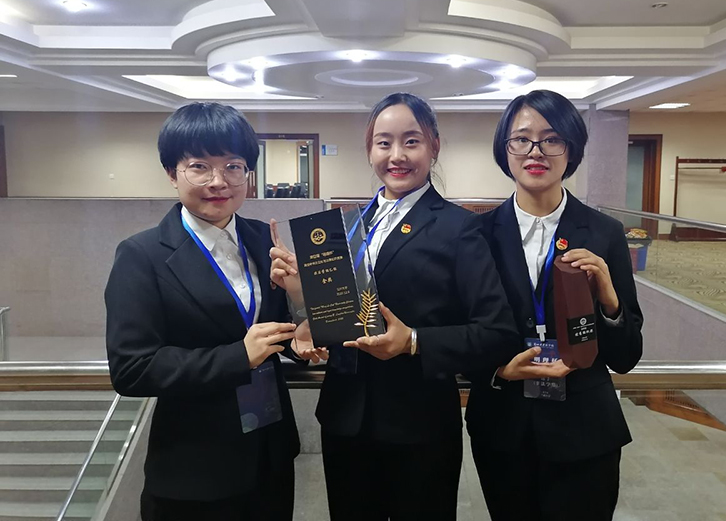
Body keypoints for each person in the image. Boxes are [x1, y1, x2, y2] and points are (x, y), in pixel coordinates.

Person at [269, 92, 518, 520]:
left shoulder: (460, 227)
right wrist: (302, 302)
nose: (396, 155)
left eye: (411, 141)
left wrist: (414, 341)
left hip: (419, 427)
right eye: (383, 143)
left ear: (434, 146)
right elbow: (340, 318)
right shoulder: (346, 228)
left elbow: (497, 333)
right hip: (345, 420)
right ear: (370, 150)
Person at [105, 102, 312, 521]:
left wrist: (301, 323)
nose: (219, 182)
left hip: (269, 453)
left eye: (234, 167)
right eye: (199, 167)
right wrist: (239, 356)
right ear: (171, 173)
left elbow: (269, 328)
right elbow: (131, 368)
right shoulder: (141, 255)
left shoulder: (262, 237)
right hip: (195, 468)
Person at [466, 90, 644, 521]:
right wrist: (496, 371)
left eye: (551, 139)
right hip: (503, 426)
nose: (536, 151)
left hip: (585, 428)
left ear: (571, 148)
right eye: (521, 139)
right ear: (505, 148)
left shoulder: (604, 232)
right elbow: (462, 331)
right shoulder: (476, 235)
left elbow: (626, 357)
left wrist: (609, 298)